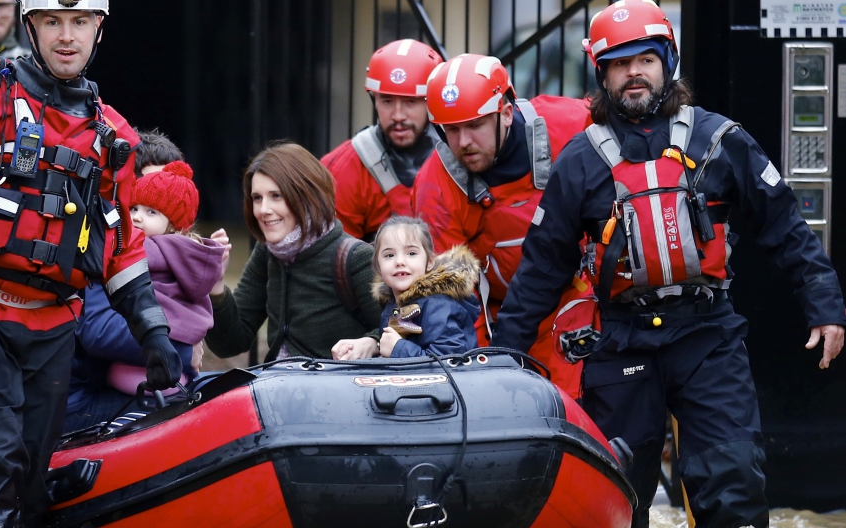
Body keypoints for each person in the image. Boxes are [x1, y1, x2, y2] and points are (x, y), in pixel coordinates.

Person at [490, 1, 846, 526]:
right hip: (621, 343)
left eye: (645, 60)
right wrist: (504, 360)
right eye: (619, 63)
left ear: (667, 62)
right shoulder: (580, 161)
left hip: (707, 336)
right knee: (615, 494)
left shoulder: (720, 140)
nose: (634, 73)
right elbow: (541, 269)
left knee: (732, 484)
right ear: (602, 74)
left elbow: (783, 224)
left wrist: (825, 303)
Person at [0, 1, 182, 526]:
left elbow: (121, 246)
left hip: (50, 325)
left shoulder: (115, 137)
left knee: (30, 483)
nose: (66, 36)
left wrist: (153, 333)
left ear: (99, 29)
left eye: (80, 22)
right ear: (30, 26)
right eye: (52, 21)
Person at [411, 53, 591, 397]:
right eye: (452, 129)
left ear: (506, 113)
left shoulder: (569, 123)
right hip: (507, 320)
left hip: (588, 295)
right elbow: (455, 300)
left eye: (475, 125)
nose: (463, 142)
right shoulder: (436, 186)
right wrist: (477, 371)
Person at [66, 161, 221, 432]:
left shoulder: (133, 251)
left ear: (174, 226)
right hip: (168, 373)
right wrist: (184, 350)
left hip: (139, 383)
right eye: (134, 208)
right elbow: (99, 330)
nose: (137, 217)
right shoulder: (193, 260)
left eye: (150, 212)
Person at [207, 142, 383, 361]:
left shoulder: (355, 258)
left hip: (337, 391)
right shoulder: (267, 252)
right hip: (277, 389)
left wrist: (372, 342)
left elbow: (395, 332)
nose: (264, 210)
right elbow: (231, 343)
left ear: (307, 196)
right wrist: (215, 285)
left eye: (276, 196)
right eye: (257, 198)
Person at [321, 38, 442, 241]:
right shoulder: (343, 167)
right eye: (387, 101)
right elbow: (333, 257)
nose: (398, 115)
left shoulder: (459, 156)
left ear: (431, 101)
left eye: (410, 102)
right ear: (374, 100)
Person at [337, 216, 479, 359]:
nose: (399, 261)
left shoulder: (438, 305)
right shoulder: (393, 302)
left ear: (429, 262)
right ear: (378, 267)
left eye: (411, 253)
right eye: (389, 255)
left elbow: (450, 359)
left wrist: (398, 349)